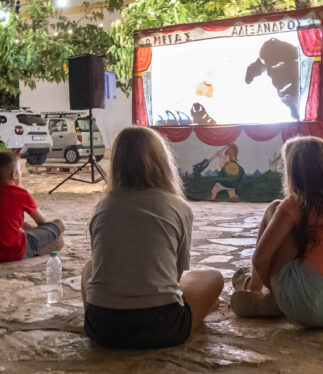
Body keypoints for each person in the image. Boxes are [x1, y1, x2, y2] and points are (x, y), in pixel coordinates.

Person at [82, 126, 224, 349]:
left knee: (89, 268)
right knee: (213, 277)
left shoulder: (103, 208)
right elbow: (176, 274)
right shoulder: (178, 207)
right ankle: (198, 310)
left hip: (101, 328)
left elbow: (102, 262)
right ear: (162, 161)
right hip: (162, 328)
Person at [230, 137, 323, 329]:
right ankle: (271, 295)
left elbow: (260, 259)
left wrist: (277, 292)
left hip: (306, 302)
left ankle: (255, 291)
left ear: (293, 173)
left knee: (274, 209)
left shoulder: (295, 203)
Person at [0, 151, 64, 263]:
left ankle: (37, 246)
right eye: (20, 170)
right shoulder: (21, 194)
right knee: (59, 225)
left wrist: (24, 225)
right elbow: (43, 221)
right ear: (14, 174)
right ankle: (39, 248)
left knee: (28, 232)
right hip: (11, 252)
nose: (21, 173)